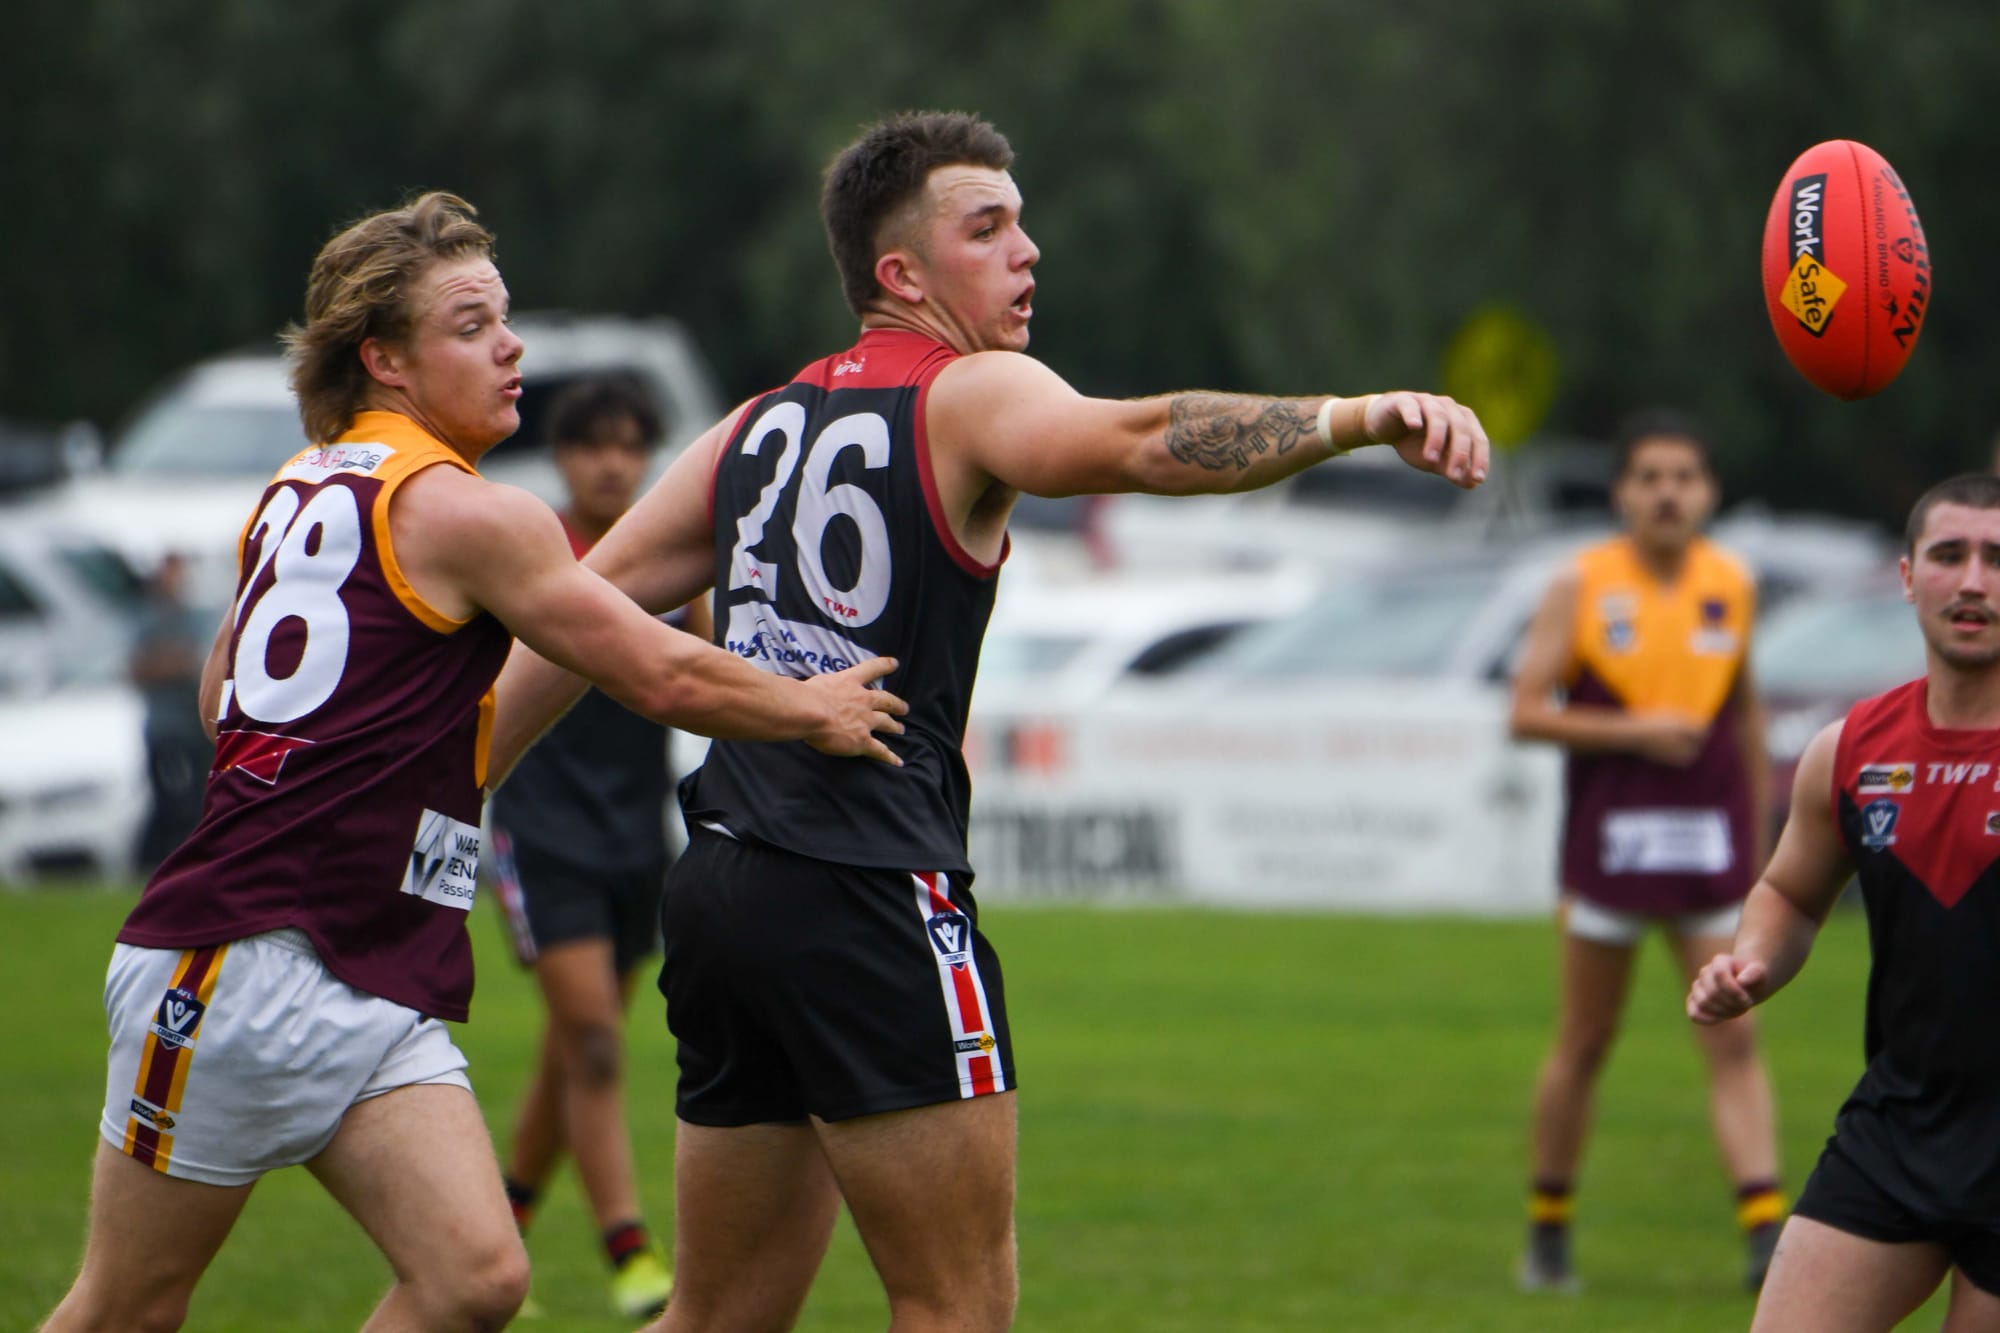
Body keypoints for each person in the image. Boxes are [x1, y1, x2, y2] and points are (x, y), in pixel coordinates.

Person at [485, 110, 1488, 1332]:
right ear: (899, 276)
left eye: (1021, 224)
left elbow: (570, 622)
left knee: (716, 1317)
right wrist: (1348, 416)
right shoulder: (967, 392)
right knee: (956, 1303)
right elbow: (1135, 439)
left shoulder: (752, 425)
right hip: (866, 889)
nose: (1029, 252)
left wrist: (442, 791)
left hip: (725, 891)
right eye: (989, 227)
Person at [39, 191, 907, 1333]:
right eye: (470, 324)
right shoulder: (469, 513)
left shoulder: (300, 486)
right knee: (124, 1308)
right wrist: (810, 707)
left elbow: (222, 700)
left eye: (503, 317)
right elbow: (662, 674)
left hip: (361, 971)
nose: (511, 347)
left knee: (476, 1280)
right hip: (238, 964)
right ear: (385, 360)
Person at [1689, 472, 2000, 1332]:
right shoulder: (1854, 749)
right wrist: (1751, 963)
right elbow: (1789, 890)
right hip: (1900, 1125)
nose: (1973, 580)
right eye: (1950, 555)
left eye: (1997, 558)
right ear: (1908, 577)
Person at [1509, 409, 1782, 1294]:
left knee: (1735, 1041)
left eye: (1685, 477)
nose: (1668, 493)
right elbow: (1525, 711)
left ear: (1709, 492)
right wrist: (1633, 729)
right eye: (1650, 477)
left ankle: (1762, 1229)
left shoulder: (1732, 582)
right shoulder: (1580, 583)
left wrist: (1764, 840)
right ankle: (1548, 1228)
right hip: (1610, 847)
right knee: (1586, 1041)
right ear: (1622, 491)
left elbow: (1743, 716)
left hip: (1708, 853)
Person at [487, 375, 704, 1320]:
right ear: (565, 456)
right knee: (597, 1045)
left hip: (633, 836)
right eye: (593, 445)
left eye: (631, 444)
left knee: (572, 1054)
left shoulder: (667, 560)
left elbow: (714, 663)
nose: (613, 462)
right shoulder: (531, 551)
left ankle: (495, 1234)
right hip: (541, 834)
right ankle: (629, 1251)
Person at [128, 551, 213, 870]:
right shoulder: (148, 617)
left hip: (193, 726)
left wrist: (167, 661)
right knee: (166, 799)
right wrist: (175, 661)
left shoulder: (195, 616)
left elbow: (199, 663)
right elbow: (138, 669)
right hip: (163, 727)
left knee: (194, 800)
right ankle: (149, 862)